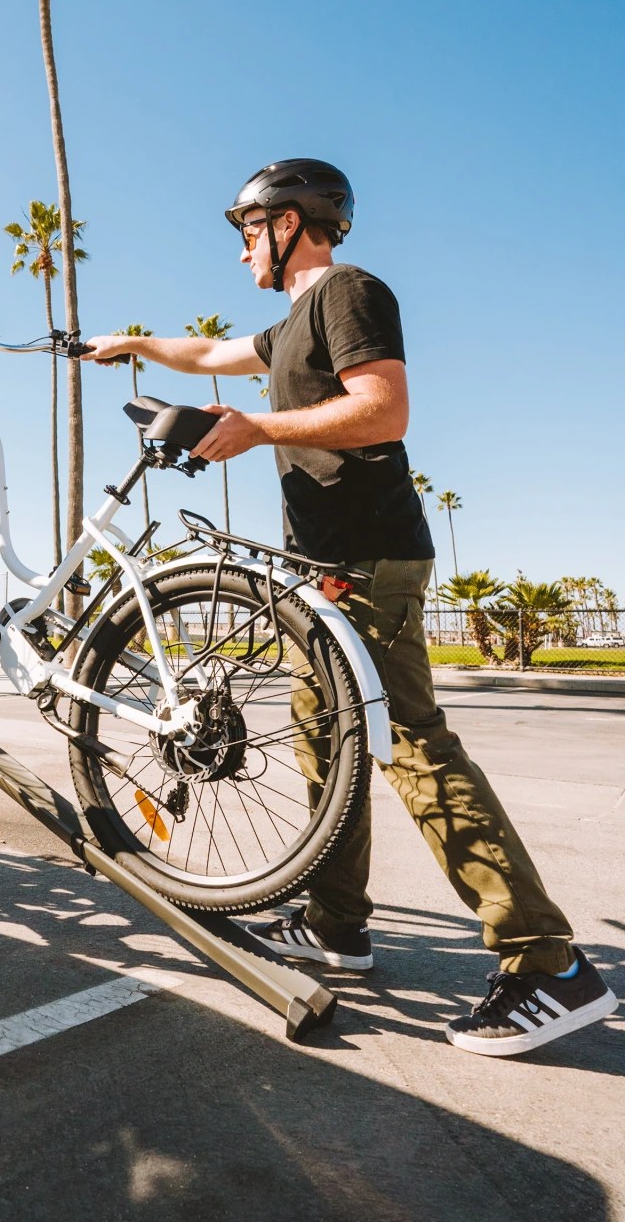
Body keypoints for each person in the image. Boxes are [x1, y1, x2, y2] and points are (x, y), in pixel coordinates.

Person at [82, 158, 616, 1057]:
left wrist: (259, 430)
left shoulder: (349, 293)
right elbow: (210, 354)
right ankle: (338, 928)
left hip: (371, 560)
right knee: (323, 738)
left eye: (248, 226)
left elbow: (383, 408)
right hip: (325, 568)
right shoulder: (292, 323)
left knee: (410, 745)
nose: (243, 243)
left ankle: (548, 965)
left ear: (292, 222)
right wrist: (133, 346)